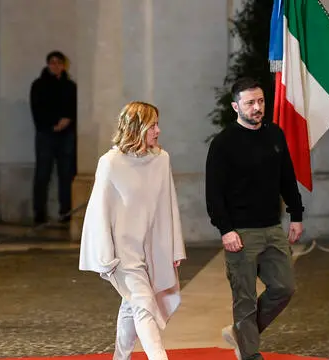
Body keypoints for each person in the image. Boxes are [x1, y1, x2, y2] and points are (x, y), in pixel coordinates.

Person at [205, 77, 304, 360]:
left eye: (260, 101)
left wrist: (296, 215)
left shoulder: (275, 135)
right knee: (245, 299)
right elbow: (214, 193)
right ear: (235, 106)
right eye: (250, 103)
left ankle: (241, 333)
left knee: (284, 287)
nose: (257, 107)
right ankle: (249, 354)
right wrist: (226, 229)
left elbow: (287, 177)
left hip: (272, 227)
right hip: (241, 232)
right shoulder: (223, 143)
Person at [79, 101, 186, 360]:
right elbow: (98, 211)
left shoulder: (161, 159)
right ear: (136, 128)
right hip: (122, 252)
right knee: (144, 306)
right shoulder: (110, 162)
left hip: (149, 247)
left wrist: (173, 247)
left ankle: (120, 357)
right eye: (153, 125)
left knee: (133, 304)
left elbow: (168, 204)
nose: (158, 131)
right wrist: (105, 255)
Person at [30, 50, 77, 225]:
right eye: (52, 62)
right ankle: (39, 213)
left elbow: (73, 108)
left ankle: (66, 212)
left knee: (66, 175)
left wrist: (66, 121)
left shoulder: (70, 86)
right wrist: (52, 125)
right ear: (48, 65)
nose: (55, 66)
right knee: (42, 174)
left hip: (67, 135)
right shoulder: (39, 85)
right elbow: (36, 109)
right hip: (46, 134)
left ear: (64, 65)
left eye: (59, 62)